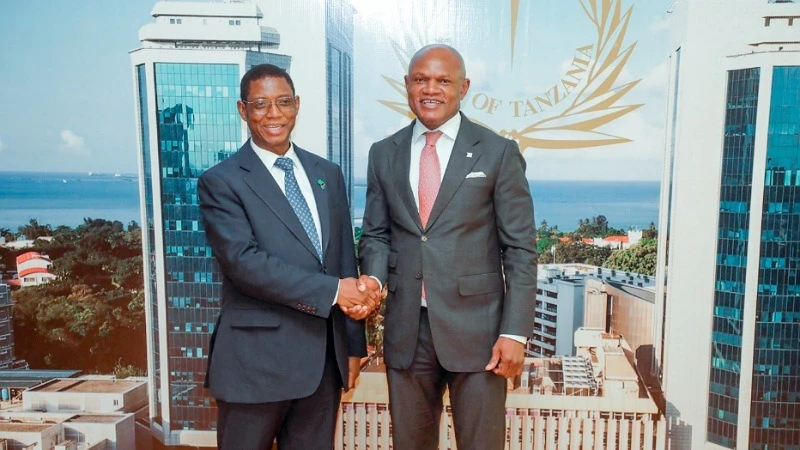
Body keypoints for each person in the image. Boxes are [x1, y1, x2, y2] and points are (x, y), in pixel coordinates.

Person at [358, 44, 538, 450]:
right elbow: (376, 235)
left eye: (443, 81)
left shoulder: (498, 152)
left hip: (480, 335)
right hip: (407, 332)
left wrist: (515, 333)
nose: (430, 89)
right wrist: (371, 278)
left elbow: (521, 250)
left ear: (464, 87)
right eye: (420, 79)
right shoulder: (383, 153)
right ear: (407, 85)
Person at [198, 64, 377, 450]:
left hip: (322, 368)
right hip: (253, 367)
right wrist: (334, 291)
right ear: (243, 110)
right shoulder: (221, 181)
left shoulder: (326, 172)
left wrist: (353, 345)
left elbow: (343, 257)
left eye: (282, 102)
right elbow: (244, 264)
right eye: (260, 104)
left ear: (297, 105)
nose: (273, 114)